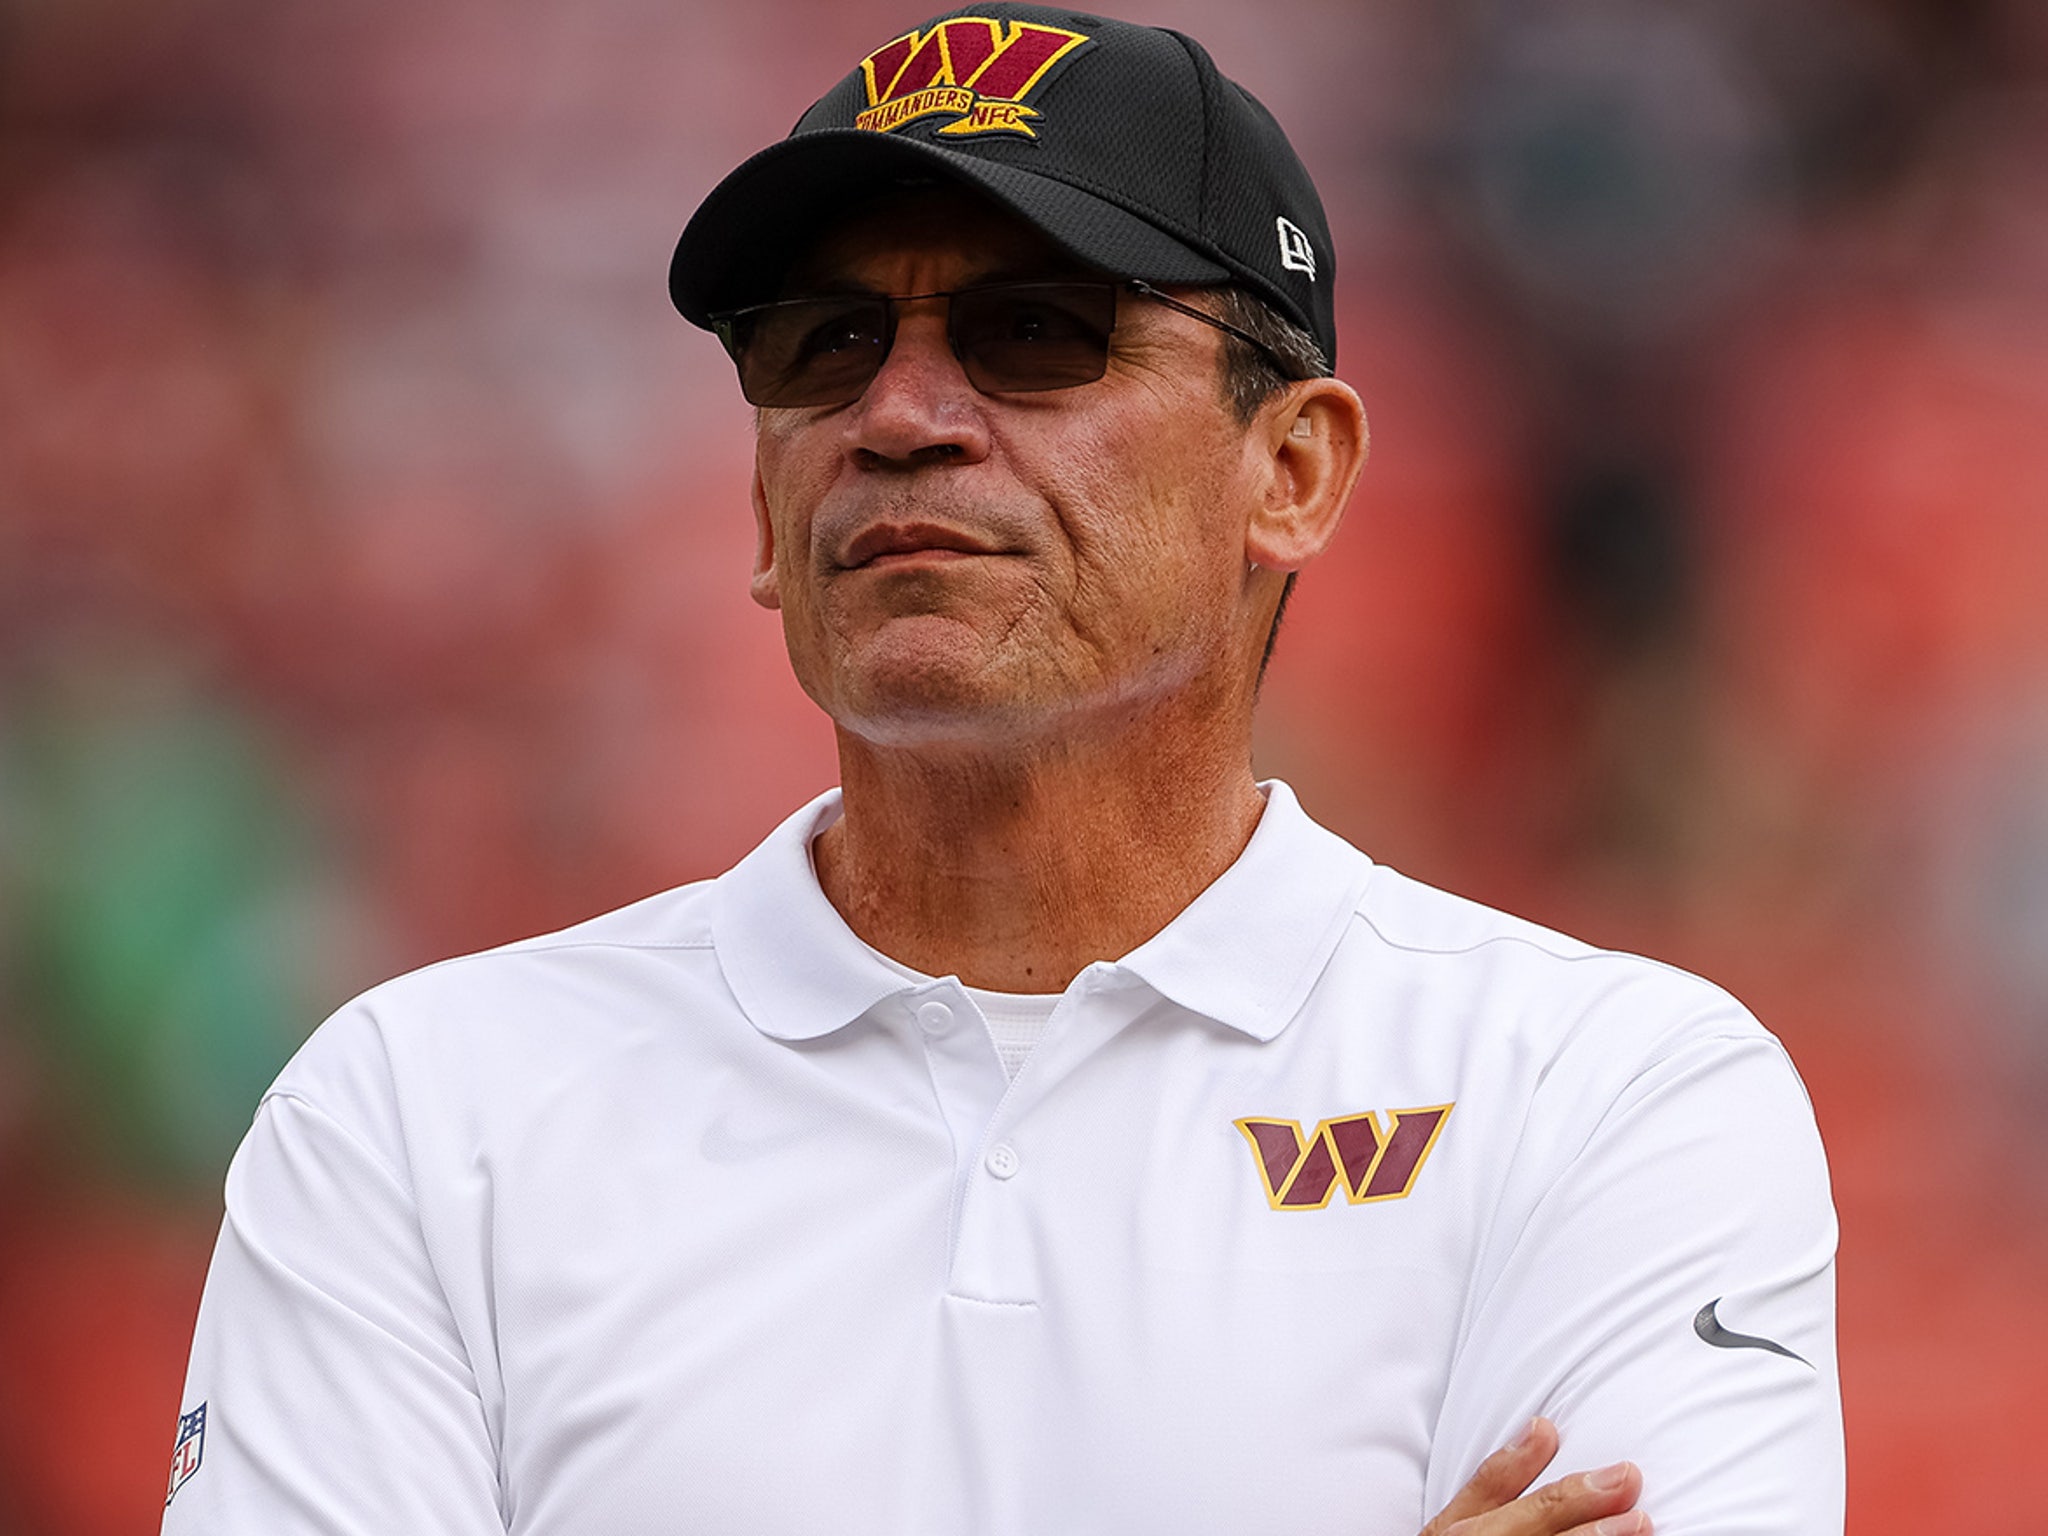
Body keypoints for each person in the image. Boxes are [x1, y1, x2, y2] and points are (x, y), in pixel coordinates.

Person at [162, 6, 1841, 1533]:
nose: (898, 414)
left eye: (1036, 331)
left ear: (1298, 470)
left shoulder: (1605, 1096)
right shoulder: (418, 1112)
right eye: (820, 347)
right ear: (758, 503)